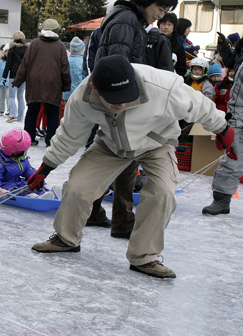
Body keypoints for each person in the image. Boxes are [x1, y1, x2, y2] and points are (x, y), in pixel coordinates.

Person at [28, 55, 234, 279]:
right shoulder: (83, 98)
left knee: (162, 193)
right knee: (78, 187)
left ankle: (144, 257)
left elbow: (202, 106)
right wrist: (47, 166)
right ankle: (66, 239)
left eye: (126, 97)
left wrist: (223, 129)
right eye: (114, 99)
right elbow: (70, 135)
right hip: (111, 145)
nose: (122, 103)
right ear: (96, 88)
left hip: (157, 142)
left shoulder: (163, 87)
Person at [93, 0, 178, 238]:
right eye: (160, 9)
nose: (160, 16)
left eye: (166, 12)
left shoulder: (127, 18)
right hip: (121, 99)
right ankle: (121, 221)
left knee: (114, 156)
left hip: (118, 96)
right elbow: (118, 62)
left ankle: (106, 216)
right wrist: (124, 96)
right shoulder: (128, 19)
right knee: (122, 157)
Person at [12, 19, 71, 146]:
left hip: (35, 82)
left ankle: (29, 138)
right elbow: (65, 67)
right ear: (56, 31)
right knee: (52, 112)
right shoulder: (60, 46)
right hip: (53, 83)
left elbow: (25, 64)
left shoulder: (34, 43)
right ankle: (50, 140)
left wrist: (18, 80)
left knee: (32, 111)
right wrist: (66, 84)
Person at [202, 64, 242, 215]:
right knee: (233, 159)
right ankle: (222, 200)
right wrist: (234, 130)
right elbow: (238, 101)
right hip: (242, 123)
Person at [0, 129, 56, 199]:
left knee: (30, 185)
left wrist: (41, 182)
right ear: (19, 152)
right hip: (4, 185)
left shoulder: (22, 160)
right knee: (17, 191)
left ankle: (45, 194)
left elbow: (29, 172)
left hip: (18, 182)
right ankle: (30, 196)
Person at [3, 31, 28, 123]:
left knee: (11, 96)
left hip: (14, 74)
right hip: (24, 75)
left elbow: (8, 63)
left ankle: (13, 115)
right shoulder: (27, 49)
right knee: (21, 96)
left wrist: (4, 76)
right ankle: (20, 117)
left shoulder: (12, 49)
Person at [61, 37, 85, 122]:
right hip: (78, 93)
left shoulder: (66, 61)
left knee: (67, 115)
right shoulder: (83, 62)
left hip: (66, 93)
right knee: (78, 117)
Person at [158, 13, 187, 77]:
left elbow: (181, 69)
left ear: (174, 27)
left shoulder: (178, 47)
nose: (166, 27)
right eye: (163, 24)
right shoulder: (153, 42)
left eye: (169, 24)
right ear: (159, 25)